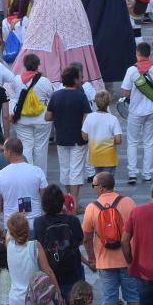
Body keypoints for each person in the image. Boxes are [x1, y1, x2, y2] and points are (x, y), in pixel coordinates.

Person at [82, 172, 139, 305]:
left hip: (105, 262)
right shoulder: (128, 202)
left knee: (110, 299)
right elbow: (137, 230)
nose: (93, 189)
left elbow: (86, 237)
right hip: (128, 259)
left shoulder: (92, 208)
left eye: (94, 186)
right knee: (133, 297)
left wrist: (92, 259)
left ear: (101, 187)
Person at [33, 184, 84, 305]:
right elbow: (79, 240)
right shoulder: (72, 221)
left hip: (51, 273)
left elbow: (37, 244)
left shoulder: (39, 223)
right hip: (72, 272)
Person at [121, 43, 153, 185]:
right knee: (148, 143)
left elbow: (126, 92)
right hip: (151, 111)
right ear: (149, 53)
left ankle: (132, 173)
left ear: (137, 53)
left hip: (135, 112)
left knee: (133, 142)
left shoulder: (131, 71)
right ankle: (147, 174)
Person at [46, 65, 92, 205]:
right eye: (80, 77)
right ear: (75, 80)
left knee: (65, 169)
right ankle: (75, 203)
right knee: (76, 171)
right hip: (78, 138)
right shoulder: (80, 95)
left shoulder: (56, 95)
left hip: (61, 138)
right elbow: (87, 115)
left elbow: (48, 117)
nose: (82, 79)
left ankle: (69, 200)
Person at [0, 138, 47, 233]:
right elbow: (45, 198)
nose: (3, 153)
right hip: (34, 225)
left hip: (11, 226)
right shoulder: (37, 171)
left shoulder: (0, 175)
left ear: (9, 152)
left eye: (4, 150)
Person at [12, 53, 54, 172]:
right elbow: (52, 95)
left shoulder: (17, 80)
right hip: (42, 119)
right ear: (38, 65)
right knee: (41, 148)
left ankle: (27, 173)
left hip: (22, 119)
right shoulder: (44, 81)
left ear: (24, 65)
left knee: (25, 146)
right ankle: (40, 175)